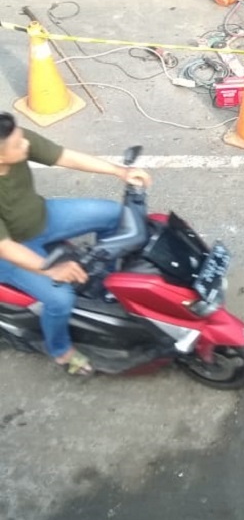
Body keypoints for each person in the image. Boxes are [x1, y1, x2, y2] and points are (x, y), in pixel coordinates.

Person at [0, 113, 151, 375]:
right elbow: (6, 247)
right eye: (17, 145)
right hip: (11, 251)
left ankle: (105, 278)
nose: (25, 144)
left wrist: (119, 172)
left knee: (114, 215)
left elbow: (64, 156)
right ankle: (60, 350)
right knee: (60, 299)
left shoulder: (14, 138)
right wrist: (50, 270)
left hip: (41, 216)